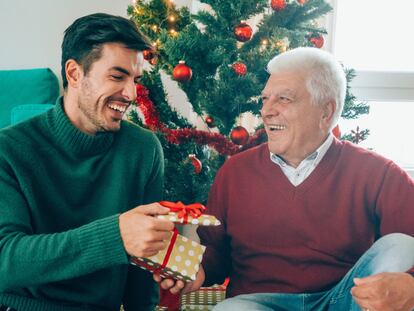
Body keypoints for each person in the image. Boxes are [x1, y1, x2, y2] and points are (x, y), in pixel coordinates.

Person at [158, 47, 414, 311]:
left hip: (345, 301)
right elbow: (216, 253)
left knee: (401, 245)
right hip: (258, 303)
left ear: (326, 112)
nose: (267, 111)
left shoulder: (379, 174)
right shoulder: (235, 172)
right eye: (265, 99)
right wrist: (197, 271)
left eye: (284, 99)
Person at [0, 13, 175, 311]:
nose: (131, 94)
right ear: (74, 74)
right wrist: (115, 236)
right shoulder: (9, 150)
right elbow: (5, 259)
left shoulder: (144, 149)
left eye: (135, 79)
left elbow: (140, 274)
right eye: (117, 77)